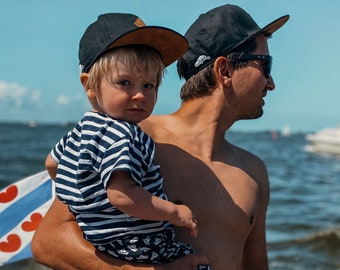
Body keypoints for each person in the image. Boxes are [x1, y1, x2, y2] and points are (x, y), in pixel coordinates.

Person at [32, 4, 289, 270]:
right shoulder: (133, 137)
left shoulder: (254, 171)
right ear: (224, 70)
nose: (271, 83)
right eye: (264, 66)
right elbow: (48, 242)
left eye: (148, 84)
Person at [42, 12, 209, 269]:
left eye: (149, 85)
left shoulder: (82, 129)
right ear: (89, 86)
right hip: (135, 243)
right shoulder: (124, 135)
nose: (140, 95)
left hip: (99, 241)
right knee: (198, 264)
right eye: (125, 83)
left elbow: (52, 165)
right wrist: (174, 212)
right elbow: (122, 196)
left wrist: (88, 198)